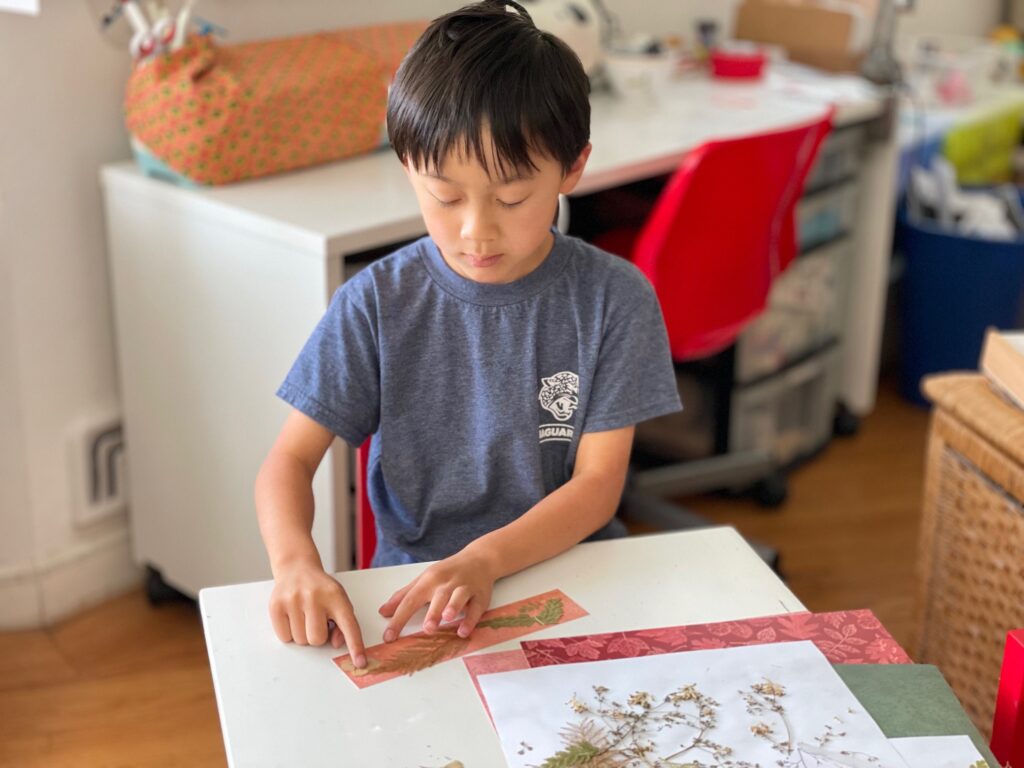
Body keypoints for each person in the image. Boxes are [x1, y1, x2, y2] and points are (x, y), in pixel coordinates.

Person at [255, 0, 681, 669]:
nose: (476, 232)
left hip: (566, 575)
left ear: (573, 168)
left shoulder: (612, 299)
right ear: (407, 167)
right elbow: (287, 462)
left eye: (512, 199)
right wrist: (295, 564)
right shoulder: (376, 302)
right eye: (445, 198)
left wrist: (484, 560)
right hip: (416, 592)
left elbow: (598, 486)